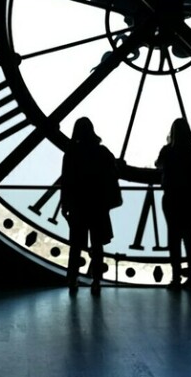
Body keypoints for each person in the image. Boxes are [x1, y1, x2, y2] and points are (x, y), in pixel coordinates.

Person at [61, 117, 122, 296]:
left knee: (76, 245)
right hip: (97, 205)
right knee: (97, 245)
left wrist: (65, 204)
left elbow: (66, 181)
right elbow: (114, 172)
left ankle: (72, 278)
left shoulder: (71, 153)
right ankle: (96, 280)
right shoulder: (101, 152)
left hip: (78, 205)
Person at [155, 118, 191, 289]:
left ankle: (176, 277)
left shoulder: (167, 151)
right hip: (190, 198)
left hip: (172, 198)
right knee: (189, 239)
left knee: (174, 239)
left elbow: (158, 165)